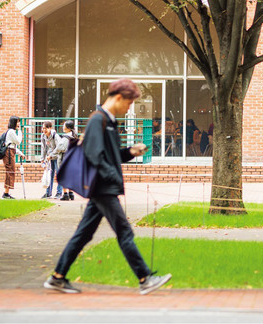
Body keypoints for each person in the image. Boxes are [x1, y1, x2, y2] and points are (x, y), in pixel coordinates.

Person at [44, 79, 171, 295]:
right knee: (124, 231)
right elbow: (94, 155)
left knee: (83, 234)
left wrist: (131, 151)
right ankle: (145, 278)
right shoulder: (98, 120)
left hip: (103, 187)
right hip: (103, 188)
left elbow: (111, 156)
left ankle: (57, 277)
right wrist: (112, 176)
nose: (129, 108)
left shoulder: (109, 121)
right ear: (119, 97)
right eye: (129, 103)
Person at [2, 116, 26, 199]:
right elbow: (18, 142)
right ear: (14, 123)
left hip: (10, 152)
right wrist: (20, 131)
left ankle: (6, 193)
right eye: (17, 122)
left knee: (11, 171)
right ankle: (5, 194)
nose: (19, 124)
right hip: (8, 153)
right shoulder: (12, 132)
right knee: (10, 171)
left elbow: (13, 146)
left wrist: (20, 153)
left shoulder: (11, 132)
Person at [55, 120, 77, 201]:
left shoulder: (66, 137)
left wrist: (54, 151)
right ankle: (71, 193)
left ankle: (65, 194)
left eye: (64, 125)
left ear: (68, 128)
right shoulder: (74, 136)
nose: (63, 127)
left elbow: (61, 148)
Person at [40, 121, 60, 199]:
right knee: (49, 175)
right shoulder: (43, 136)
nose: (44, 130)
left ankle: (59, 193)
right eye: (43, 128)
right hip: (49, 158)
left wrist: (51, 155)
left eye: (46, 128)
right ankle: (48, 193)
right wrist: (42, 159)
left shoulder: (55, 136)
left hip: (57, 157)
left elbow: (58, 148)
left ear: (50, 128)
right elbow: (44, 148)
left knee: (58, 175)